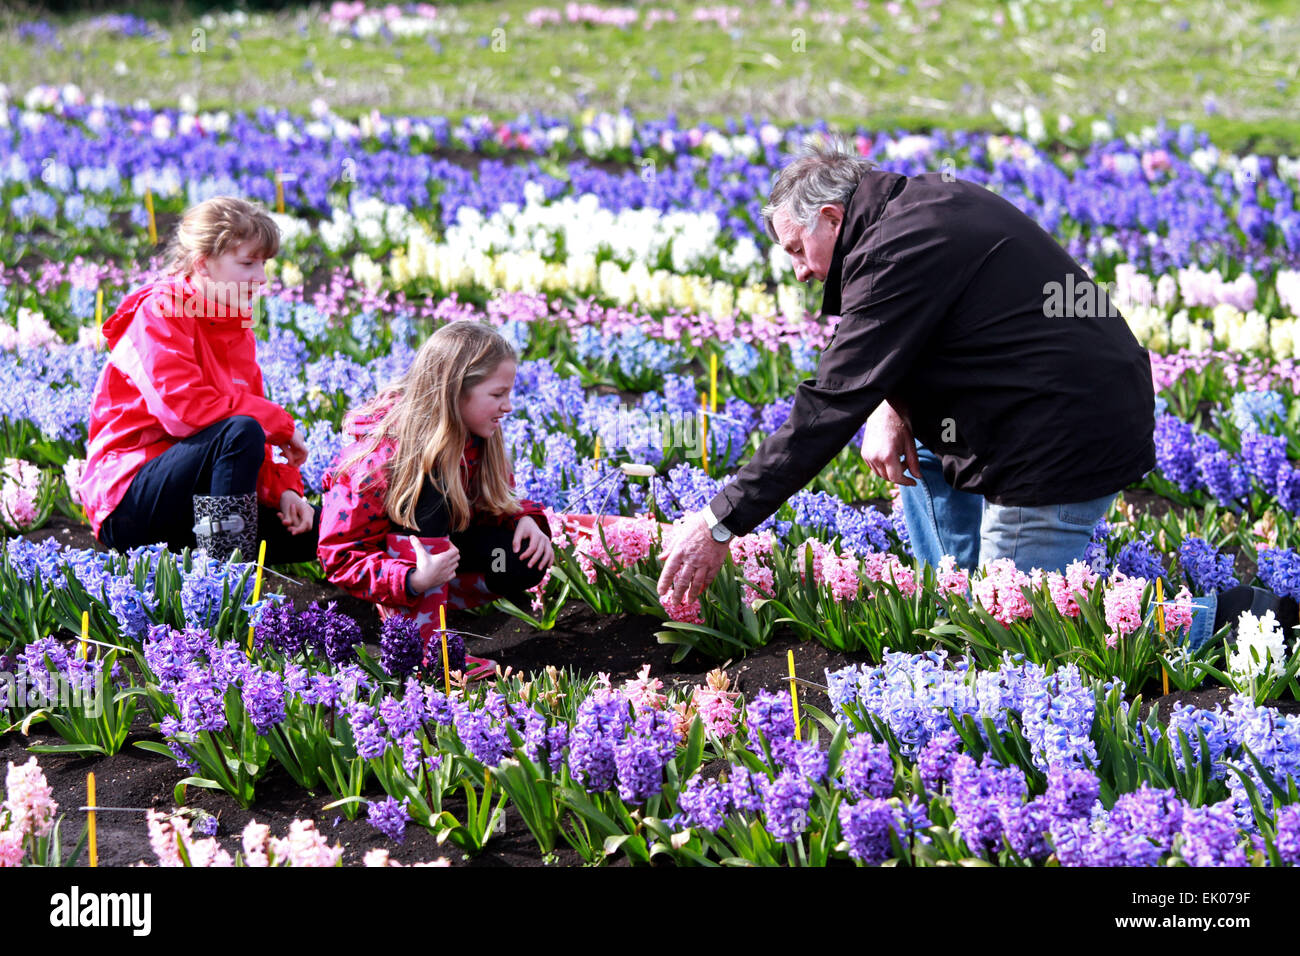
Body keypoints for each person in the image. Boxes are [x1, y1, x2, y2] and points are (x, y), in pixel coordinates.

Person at [657, 136, 1294, 648]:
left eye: (798, 250)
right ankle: (956, 596)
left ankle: (1241, 623)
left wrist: (721, 520)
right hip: (1048, 403)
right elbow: (914, 335)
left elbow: (827, 404)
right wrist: (890, 404)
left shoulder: (893, 251)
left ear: (831, 217)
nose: (799, 270)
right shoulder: (915, 207)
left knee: (1025, 625)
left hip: (1058, 436)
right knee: (927, 466)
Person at [80, 196, 318, 564]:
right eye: (248, 263)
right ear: (203, 264)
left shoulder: (234, 323)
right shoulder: (159, 313)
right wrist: (281, 425)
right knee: (241, 432)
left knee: (314, 534)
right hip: (127, 501)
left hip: (192, 499)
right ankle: (221, 581)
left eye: (264, 263)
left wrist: (283, 491)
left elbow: (243, 425)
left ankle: (222, 558)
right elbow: (186, 412)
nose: (261, 277)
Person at [318, 321, 553, 678]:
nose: (508, 406)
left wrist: (525, 520)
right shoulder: (381, 458)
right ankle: (426, 653)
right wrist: (410, 580)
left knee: (518, 559)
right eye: (497, 394)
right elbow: (338, 554)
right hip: (400, 562)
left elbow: (495, 502)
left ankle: (434, 600)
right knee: (433, 487)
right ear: (456, 391)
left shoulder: (476, 436)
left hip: (443, 557)